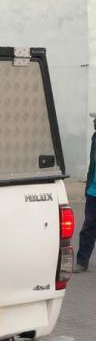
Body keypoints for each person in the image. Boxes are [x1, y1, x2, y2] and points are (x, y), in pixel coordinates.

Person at [74, 115, 96, 272]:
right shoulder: (95, 137)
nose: (94, 122)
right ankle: (82, 261)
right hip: (93, 192)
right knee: (88, 227)